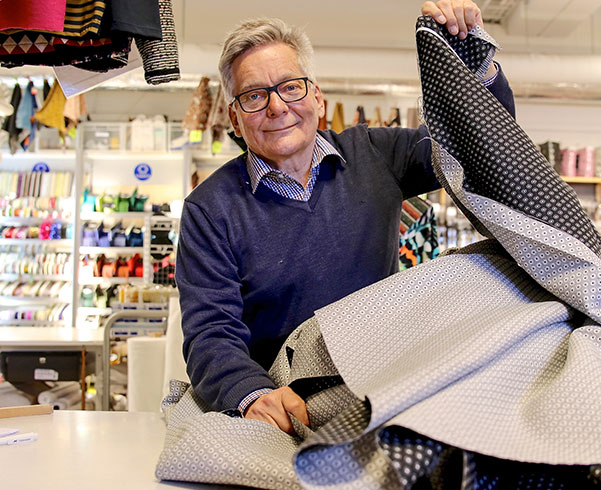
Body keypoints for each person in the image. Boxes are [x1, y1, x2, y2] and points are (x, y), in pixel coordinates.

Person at [176, 0, 516, 435]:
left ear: (316, 97)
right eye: (254, 96)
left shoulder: (376, 154)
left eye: (290, 87)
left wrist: (475, 60)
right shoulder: (209, 209)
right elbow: (211, 332)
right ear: (235, 119)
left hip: (382, 383)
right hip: (283, 402)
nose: (276, 107)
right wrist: (252, 394)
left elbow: (480, 149)